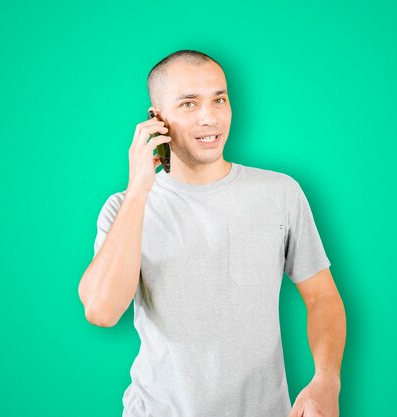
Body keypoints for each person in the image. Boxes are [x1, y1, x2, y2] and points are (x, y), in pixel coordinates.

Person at [78, 49, 346, 417]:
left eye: (219, 99)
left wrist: (326, 381)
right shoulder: (125, 207)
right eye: (189, 104)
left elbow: (322, 299)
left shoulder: (280, 193)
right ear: (157, 120)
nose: (210, 117)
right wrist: (139, 189)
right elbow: (102, 311)